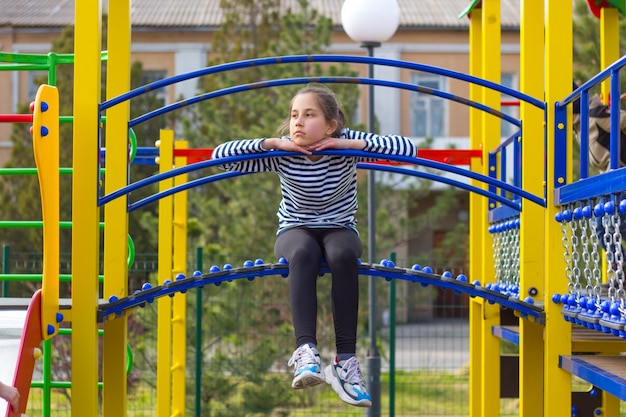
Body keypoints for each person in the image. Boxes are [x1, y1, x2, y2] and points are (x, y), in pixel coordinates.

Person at [212, 84, 417, 407]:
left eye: (309, 115)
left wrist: (346, 144)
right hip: (295, 230)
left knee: (343, 253)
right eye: (294, 115)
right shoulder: (282, 154)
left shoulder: (347, 148)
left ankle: (345, 363)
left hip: (339, 228)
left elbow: (406, 150)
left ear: (331, 124)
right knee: (304, 253)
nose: (298, 122)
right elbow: (221, 157)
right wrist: (271, 143)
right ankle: (306, 351)